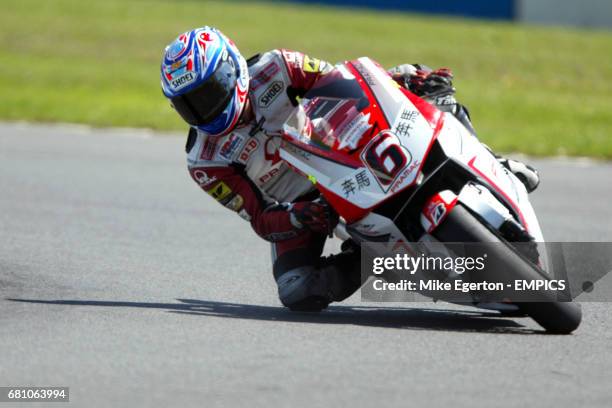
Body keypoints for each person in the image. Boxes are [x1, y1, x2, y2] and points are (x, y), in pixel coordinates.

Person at [160, 26, 540, 311]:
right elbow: (259, 217)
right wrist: (296, 217)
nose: (201, 110)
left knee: (432, 92)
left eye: (206, 94)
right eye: (187, 104)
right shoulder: (205, 161)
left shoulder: (276, 67)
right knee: (297, 289)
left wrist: (401, 80)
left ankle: (495, 162)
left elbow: (341, 81)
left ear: (230, 70)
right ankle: (367, 257)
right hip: (306, 203)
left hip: (339, 151)